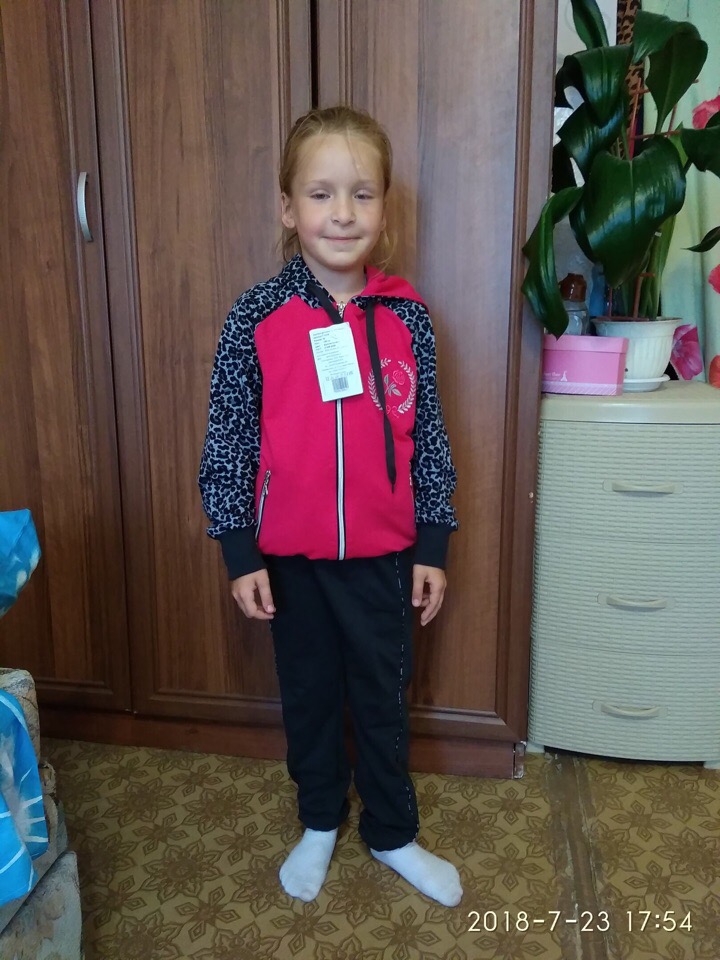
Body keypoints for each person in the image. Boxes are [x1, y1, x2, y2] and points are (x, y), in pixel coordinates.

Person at [198, 105, 462, 907]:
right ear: (288, 208)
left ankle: (392, 832)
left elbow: (431, 439)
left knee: (381, 699)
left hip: (385, 558)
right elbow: (229, 440)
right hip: (291, 561)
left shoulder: (409, 317)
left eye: (362, 193)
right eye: (320, 194)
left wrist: (433, 544)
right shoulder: (256, 317)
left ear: (384, 207)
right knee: (310, 697)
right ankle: (319, 819)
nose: (342, 213)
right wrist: (239, 550)